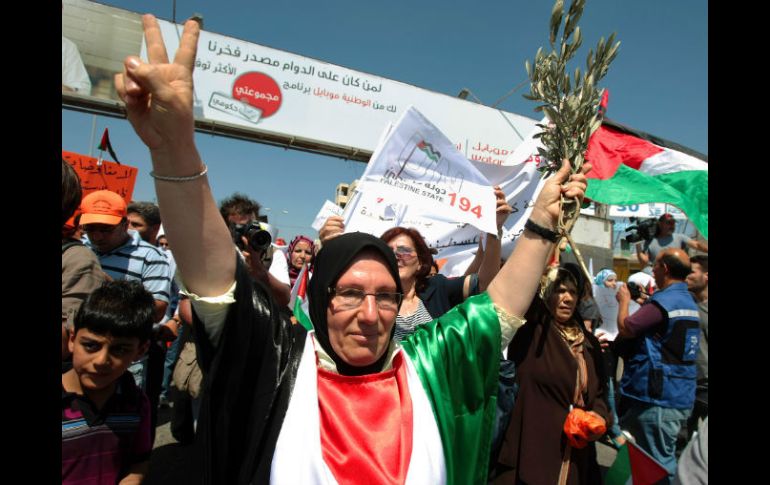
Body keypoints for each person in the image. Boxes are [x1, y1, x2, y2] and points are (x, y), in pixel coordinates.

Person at [113, 15, 588, 483]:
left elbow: (498, 308)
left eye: (385, 296)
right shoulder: (276, 361)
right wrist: (174, 149)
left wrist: (541, 224)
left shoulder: (428, 363)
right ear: (319, 297)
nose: (370, 314)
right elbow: (215, 276)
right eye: (350, 294)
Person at [320, 186, 512, 342]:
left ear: (420, 263)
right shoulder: (367, 295)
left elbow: (486, 284)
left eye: (404, 250)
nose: (397, 256)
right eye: (390, 252)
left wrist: (494, 231)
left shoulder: (438, 288)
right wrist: (330, 247)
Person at [492, 267, 610, 484]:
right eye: (560, 290)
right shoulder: (533, 331)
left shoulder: (589, 344)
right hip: (534, 447)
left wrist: (599, 417)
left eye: (573, 292)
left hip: (576, 453)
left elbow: (600, 394)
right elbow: (524, 287)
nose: (567, 298)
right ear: (546, 293)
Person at [615, 248, 700, 483]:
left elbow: (627, 327)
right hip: (678, 393)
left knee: (659, 464)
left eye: (656, 264)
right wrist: (648, 303)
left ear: (664, 269)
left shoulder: (665, 301)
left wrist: (624, 301)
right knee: (653, 457)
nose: (652, 268)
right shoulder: (686, 300)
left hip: (659, 398)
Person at [62, 280, 155, 484]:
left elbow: (139, 460)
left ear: (140, 351)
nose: (101, 361)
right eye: (90, 345)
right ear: (72, 340)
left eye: (120, 349)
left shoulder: (136, 402)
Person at [62, 160, 107, 361]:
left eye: (105, 228)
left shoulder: (77, 260)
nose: (97, 235)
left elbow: (65, 343)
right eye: (92, 228)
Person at [220, 192, 291, 306]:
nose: (248, 233)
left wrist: (258, 269)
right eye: (241, 229)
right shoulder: (215, 254)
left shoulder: (272, 254)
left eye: (252, 226)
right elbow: (186, 307)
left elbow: (284, 298)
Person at [684, 255, 707, 441]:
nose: (685, 276)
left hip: (705, 388)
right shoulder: (686, 302)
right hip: (687, 385)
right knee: (680, 443)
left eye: (691, 272)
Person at [635, 213, 708, 268]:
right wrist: (637, 243)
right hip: (658, 278)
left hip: (677, 277)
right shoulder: (649, 241)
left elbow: (697, 245)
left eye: (673, 223)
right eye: (669, 223)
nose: (672, 226)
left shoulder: (680, 237)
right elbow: (644, 261)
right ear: (660, 224)